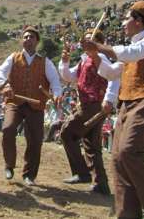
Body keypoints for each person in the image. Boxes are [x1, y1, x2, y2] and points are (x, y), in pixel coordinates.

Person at [82, 1, 144, 218]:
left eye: (127, 19)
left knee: (128, 151)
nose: (123, 23)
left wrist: (99, 47)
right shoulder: (132, 50)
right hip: (127, 104)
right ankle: (127, 214)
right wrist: (94, 56)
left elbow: (129, 54)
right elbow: (111, 73)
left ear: (139, 21)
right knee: (118, 159)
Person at [0, 26, 62, 186]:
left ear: (37, 41)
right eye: (25, 37)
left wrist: (57, 94)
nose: (28, 39)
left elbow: (55, 81)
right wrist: (5, 86)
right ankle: (9, 166)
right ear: (21, 41)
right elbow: (0, 72)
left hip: (36, 105)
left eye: (31, 37)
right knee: (8, 129)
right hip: (15, 102)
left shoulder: (45, 62)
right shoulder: (13, 58)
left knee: (35, 140)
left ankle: (29, 175)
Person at [58, 30, 119, 195]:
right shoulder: (84, 60)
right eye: (84, 41)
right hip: (90, 105)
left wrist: (109, 99)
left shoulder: (101, 58)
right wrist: (64, 62)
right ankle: (101, 184)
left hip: (92, 105)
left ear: (98, 43)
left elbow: (113, 78)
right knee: (91, 144)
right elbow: (69, 77)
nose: (84, 44)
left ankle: (82, 173)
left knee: (66, 132)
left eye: (89, 41)